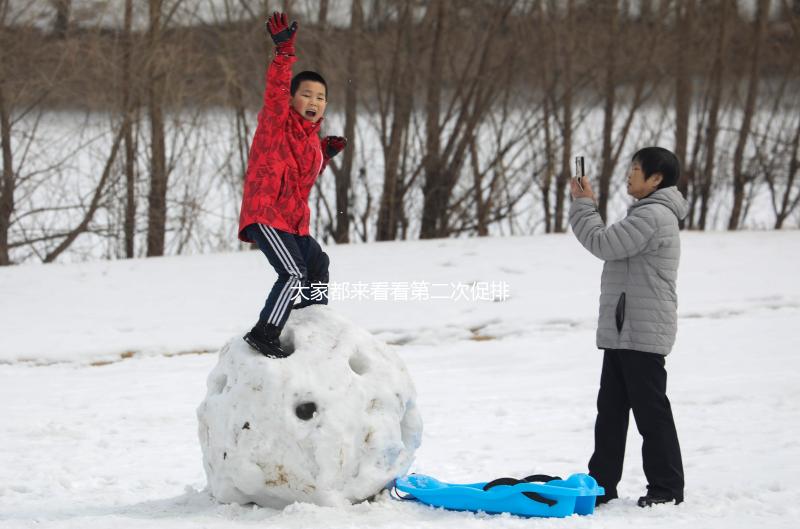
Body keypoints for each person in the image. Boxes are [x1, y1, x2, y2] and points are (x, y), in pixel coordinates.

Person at [569, 147, 688, 508]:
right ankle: (601, 484)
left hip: (642, 331)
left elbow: (602, 243)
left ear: (656, 179)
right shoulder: (646, 213)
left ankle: (666, 488)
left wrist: (584, 204)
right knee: (611, 411)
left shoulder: (653, 216)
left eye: (636, 169)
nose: (629, 175)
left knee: (650, 413)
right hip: (627, 329)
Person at [238, 12, 347, 358]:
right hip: (266, 215)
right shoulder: (275, 123)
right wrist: (284, 51)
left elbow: (301, 185)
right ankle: (264, 332)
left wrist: (324, 156)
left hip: (293, 221)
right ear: (291, 99)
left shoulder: (311, 143)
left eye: (320, 97)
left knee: (317, 264)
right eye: (307, 95)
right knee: (292, 272)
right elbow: (275, 91)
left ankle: (312, 321)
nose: (314, 102)